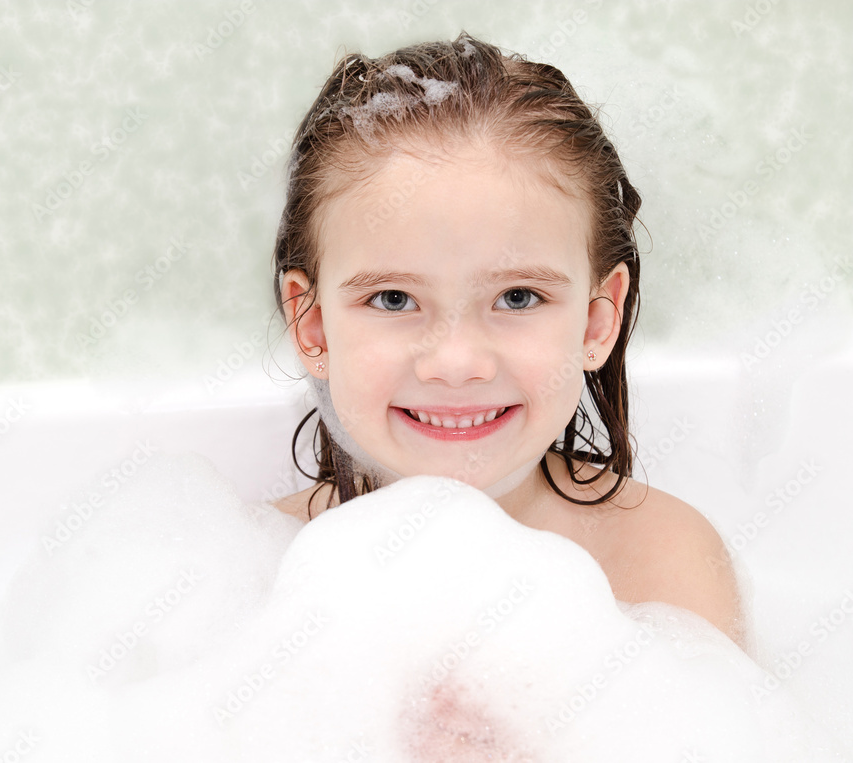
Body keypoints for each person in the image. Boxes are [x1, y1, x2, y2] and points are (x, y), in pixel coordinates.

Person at [269, 32, 746, 650]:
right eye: (393, 299)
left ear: (597, 322)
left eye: (518, 298)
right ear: (313, 327)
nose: (457, 363)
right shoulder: (258, 571)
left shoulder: (664, 563)